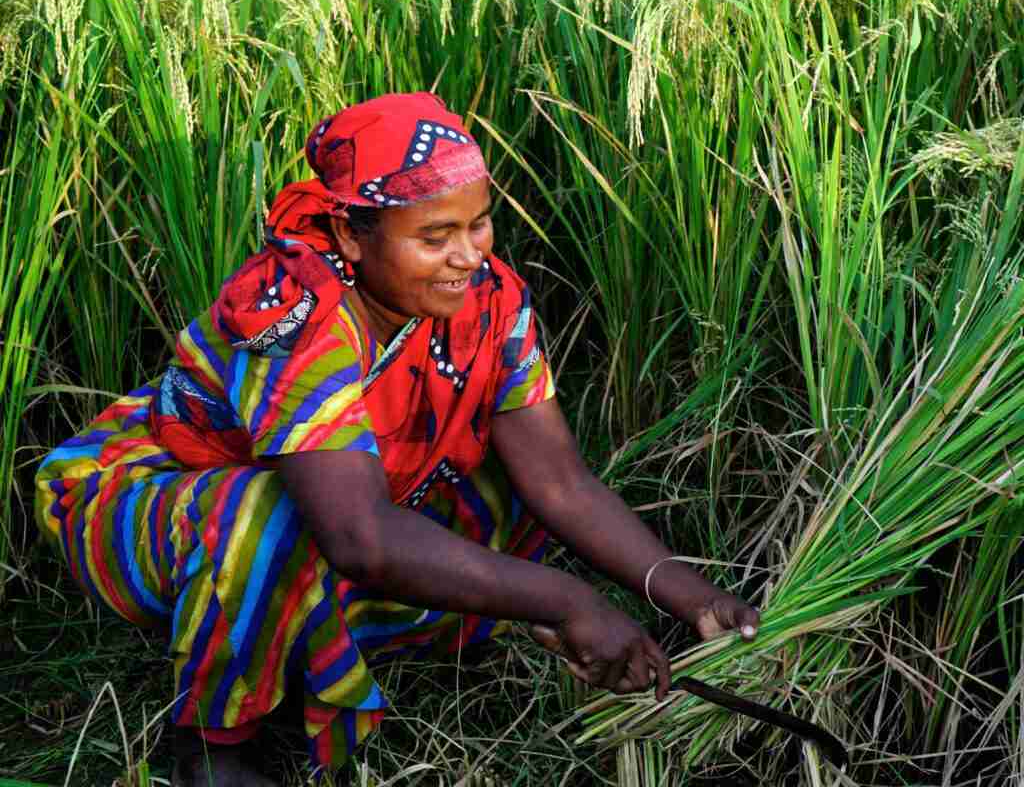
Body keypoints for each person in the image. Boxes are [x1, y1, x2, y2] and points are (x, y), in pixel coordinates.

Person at [35, 93, 759, 786]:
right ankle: (211, 743)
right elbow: (360, 540)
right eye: (434, 236)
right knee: (268, 515)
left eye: (478, 224)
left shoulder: (490, 299)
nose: (468, 255)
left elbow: (559, 482)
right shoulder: (293, 311)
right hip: (146, 498)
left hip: (355, 496)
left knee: (500, 489)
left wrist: (688, 596)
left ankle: (314, 633)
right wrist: (567, 601)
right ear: (353, 234)